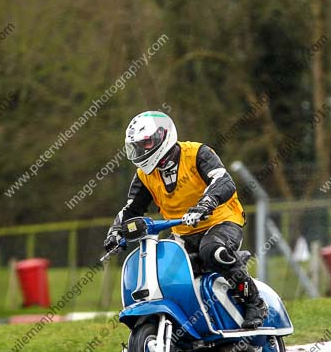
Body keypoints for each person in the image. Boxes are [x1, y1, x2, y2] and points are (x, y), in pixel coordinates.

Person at [104, 110, 268, 328]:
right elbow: (132, 209)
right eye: (137, 146)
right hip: (182, 232)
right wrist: (116, 231)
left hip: (222, 221)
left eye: (145, 143)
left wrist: (206, 203)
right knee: (166, 273)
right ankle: (188, 328)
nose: (141, 150)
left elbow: (224, 181)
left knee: (213, 251)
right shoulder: (144, 174)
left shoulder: (198, 153)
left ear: (163, 136)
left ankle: (255, 303)